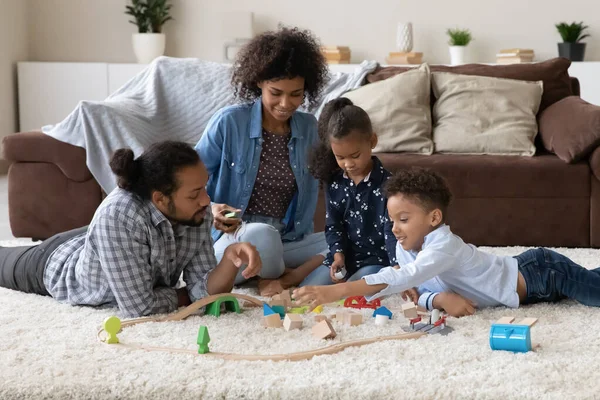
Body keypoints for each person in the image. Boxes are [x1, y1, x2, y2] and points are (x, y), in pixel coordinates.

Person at [0, 141, 261, 318]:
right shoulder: (118, 215)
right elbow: (140, 308)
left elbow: (203, 294)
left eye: (204, 188)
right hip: (55, 264)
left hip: (100, 239)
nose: (206, 201)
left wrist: (229, 260)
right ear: (160, 199)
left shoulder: (196, 212)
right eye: (195, 194)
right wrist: (185, 296)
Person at [293, 167, 600, 316]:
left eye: (403, 219)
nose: (395, 229)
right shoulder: (406, 247)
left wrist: (336, 291)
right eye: (391, 220)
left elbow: (403, 278)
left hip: (542, 273)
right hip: (527, 282)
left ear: (434, 218)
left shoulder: (444, 246)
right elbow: (417, 291)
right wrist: (438, 300)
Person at [195, 26, 330, 296]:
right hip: (238, 233)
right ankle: (290, 277)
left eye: (296, 94)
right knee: (261, 235)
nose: (285, 103)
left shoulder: (309, 128)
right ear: (258, 82)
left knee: (353, 241)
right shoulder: (230, 122)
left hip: (289, 239)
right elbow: (185, 181)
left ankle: (270, 277)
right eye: (276, 92)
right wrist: (212, 209)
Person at [299, 98, 397, 287]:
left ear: (373, 141)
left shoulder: (389, 185)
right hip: (345, 259)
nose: (348, 164)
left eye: (355, 156)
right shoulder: (335, 183)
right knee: (305, 290)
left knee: (348, 294)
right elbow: (333, 225)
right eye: (340, 157)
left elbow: (391, 232)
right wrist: (337, 256)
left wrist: (397, 269)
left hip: (377, 262)